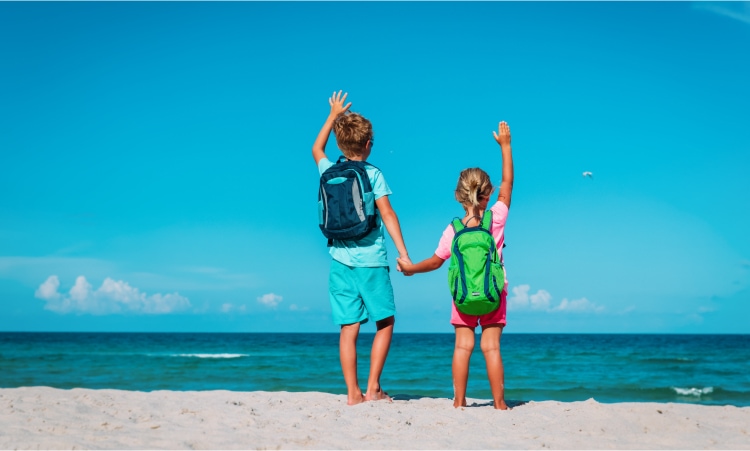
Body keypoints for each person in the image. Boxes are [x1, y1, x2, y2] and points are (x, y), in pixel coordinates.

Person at [397, 121, 514, 410]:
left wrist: (410, 269)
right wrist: (506, 146)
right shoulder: (496, 218)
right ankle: (499, 404)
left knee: (463, 347)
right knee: (491, 348)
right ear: (487, 194)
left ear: (459, 196)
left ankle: (459, 402)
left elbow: (436, 262)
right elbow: (508, 184)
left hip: (462, 298)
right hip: (493, 294)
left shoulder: (453, 229)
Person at [312, 90, 412, 406]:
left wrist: (332, 115)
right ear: (368, 145)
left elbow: (316, 148)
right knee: (385, 321)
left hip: (338, 260)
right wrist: (403, 253)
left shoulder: (328, 170)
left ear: (341, 145)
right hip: (370, 259)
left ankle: (353, 394)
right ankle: (374, 389)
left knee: (348, 328)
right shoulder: (373, 173)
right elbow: (388, 213)